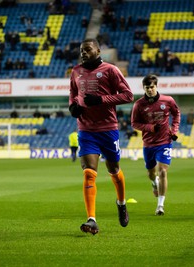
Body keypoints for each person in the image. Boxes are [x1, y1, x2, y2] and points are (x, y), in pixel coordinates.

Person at [69, 38, 133, 235]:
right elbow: (73, 94)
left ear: (98, 50)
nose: (83, 53)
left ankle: (121, 203)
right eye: (81, 50)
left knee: (114, 169)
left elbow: (128, 95)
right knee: (89, 171)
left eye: (87, 49)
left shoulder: (111, 70)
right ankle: (92, 219)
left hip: (108, 129)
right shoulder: (76, 72)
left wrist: (101, 100)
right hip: (86, 130)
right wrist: (73, 106)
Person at [131, 74, 180, 216]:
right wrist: (150, 128)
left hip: (164, 142)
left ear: (156, 86)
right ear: (144, 88)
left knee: (163, 171)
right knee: (151, 173)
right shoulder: (139, 105)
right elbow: (134, 123)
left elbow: (176, 114)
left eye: (152, 87)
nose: (150, 90)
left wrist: (174, 130)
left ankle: (160, 205)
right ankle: (154, 183)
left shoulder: (168, 100)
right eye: (147, 88)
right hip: (148, 143)